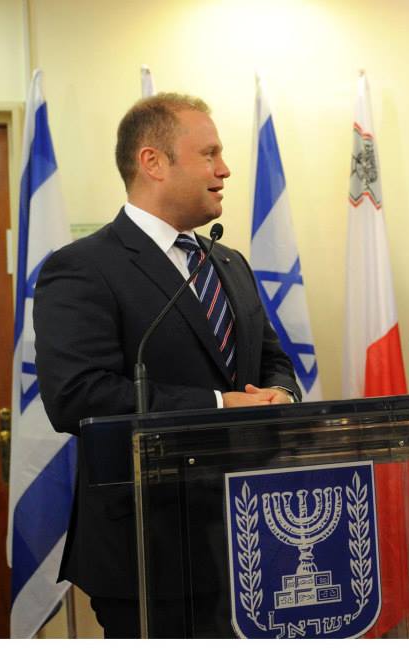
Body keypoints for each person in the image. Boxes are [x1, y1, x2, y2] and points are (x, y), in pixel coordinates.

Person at [33, 93, 301, 637]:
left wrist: (281, 394)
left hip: (254, 538)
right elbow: (78, 396)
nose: (224, 169)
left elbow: (272, 357)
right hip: (150, 553)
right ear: (153, 162)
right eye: (209, 154)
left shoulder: (226, 260)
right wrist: (224, 406)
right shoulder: (82, 268)